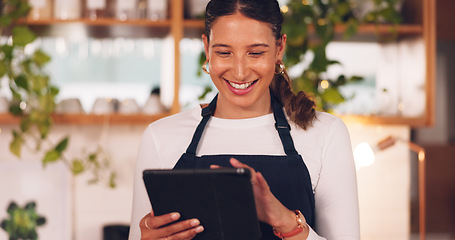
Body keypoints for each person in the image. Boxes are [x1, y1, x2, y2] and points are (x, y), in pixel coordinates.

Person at [129, 0, 360, 239]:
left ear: (279, 48)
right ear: (207, 48)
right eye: (224, 52)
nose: (239, 72)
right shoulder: (160, 137)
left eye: (256, 53)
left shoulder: (325, 134)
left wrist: (286, 221)